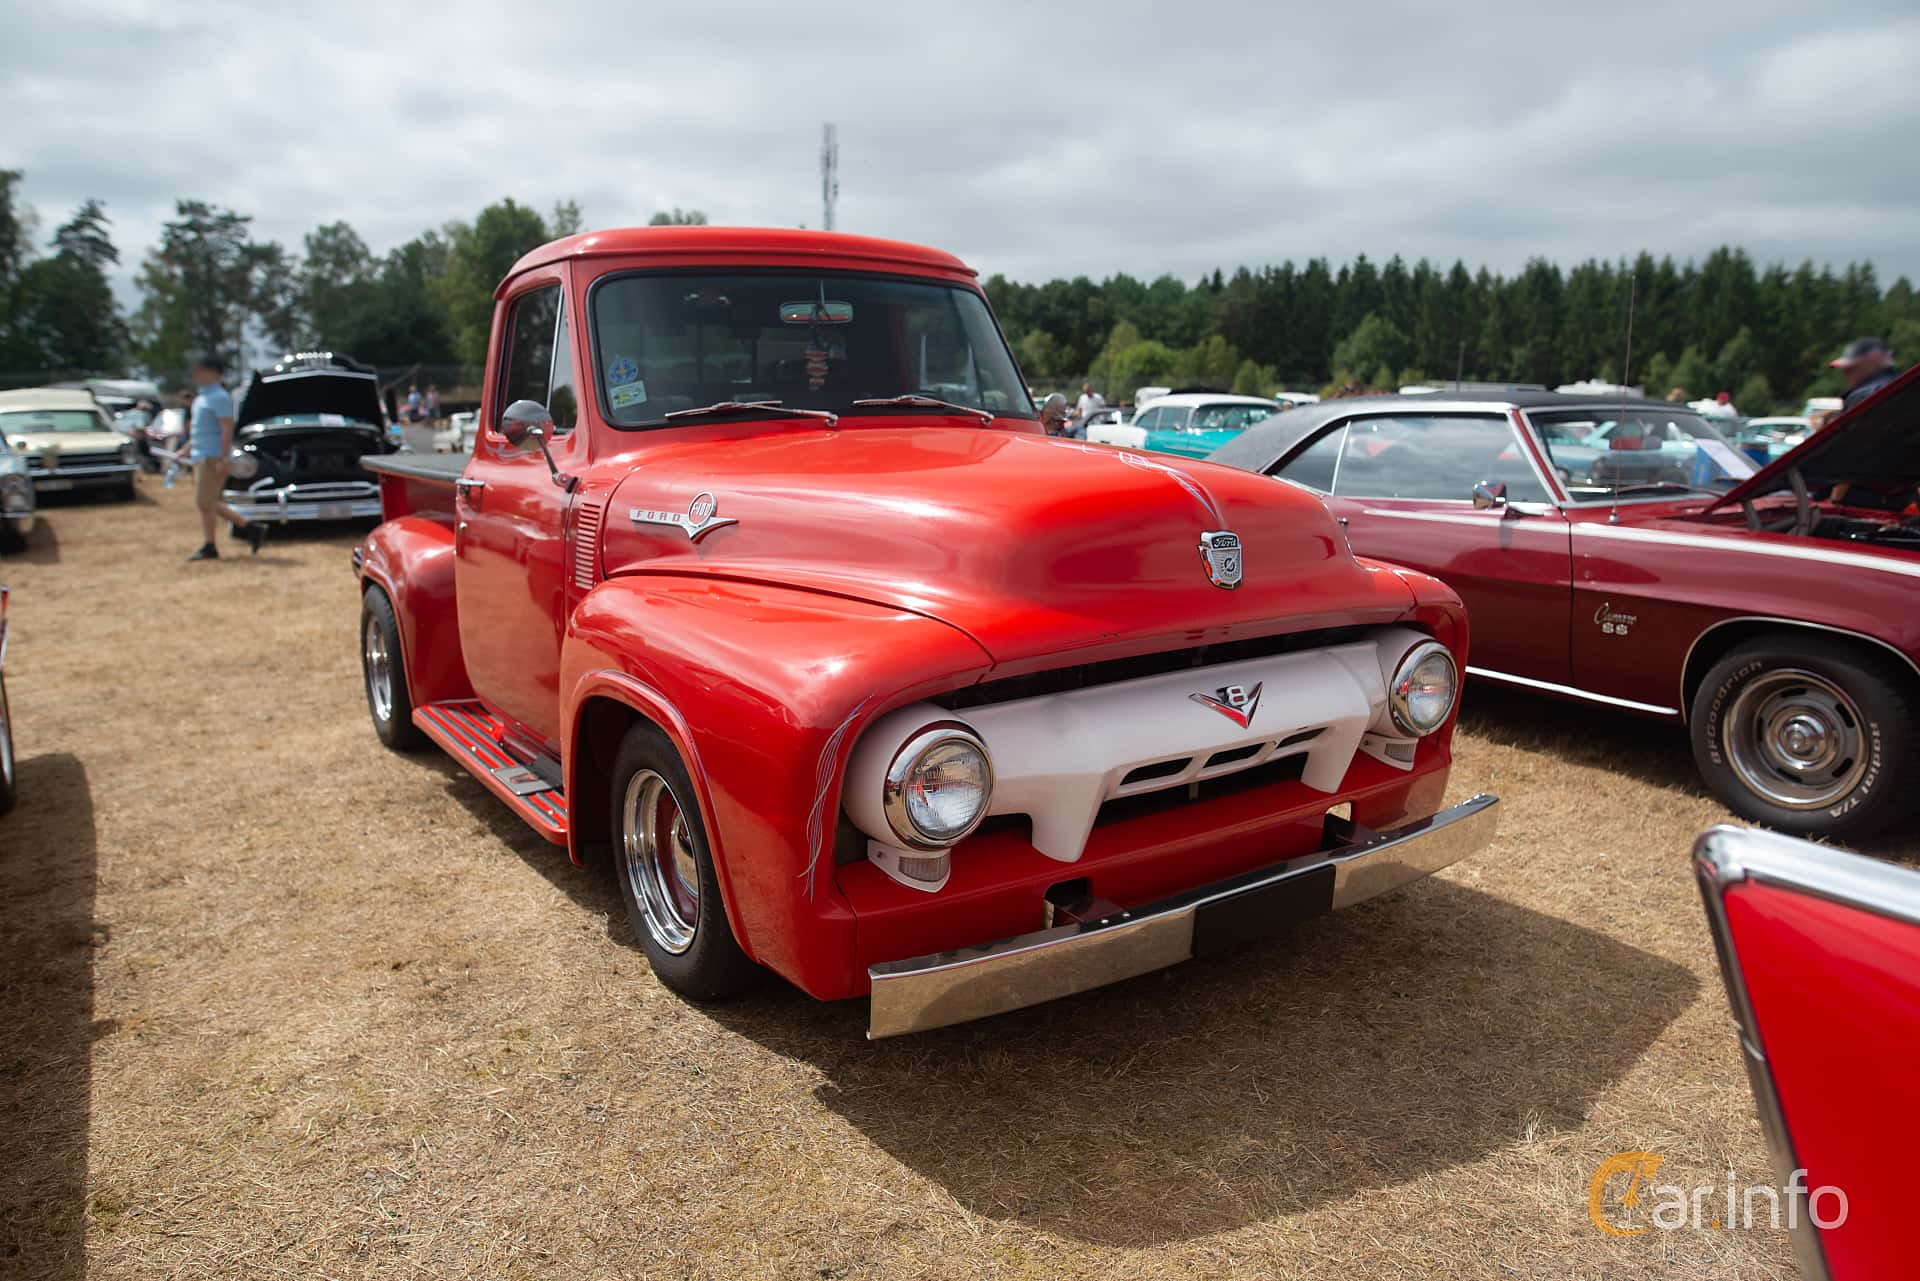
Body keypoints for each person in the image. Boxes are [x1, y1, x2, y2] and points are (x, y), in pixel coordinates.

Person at [184, 357, 264, 560]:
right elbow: (200, 430)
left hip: (212, 456)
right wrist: (185, 450)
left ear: (212, 372)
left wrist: (223, 458)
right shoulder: (202, 398)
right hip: (201, 454)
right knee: (210, 502)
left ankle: (211, 544)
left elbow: (226, 429)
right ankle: (251, 528)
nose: (196, 375)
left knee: (205, 502)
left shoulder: (219, 397)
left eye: (200, 371)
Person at [1831, 337, 1899, 409]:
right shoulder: (1901, 383)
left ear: (1874, 359)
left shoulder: (1860, 396)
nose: (1845, 375)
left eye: (1850, 369)